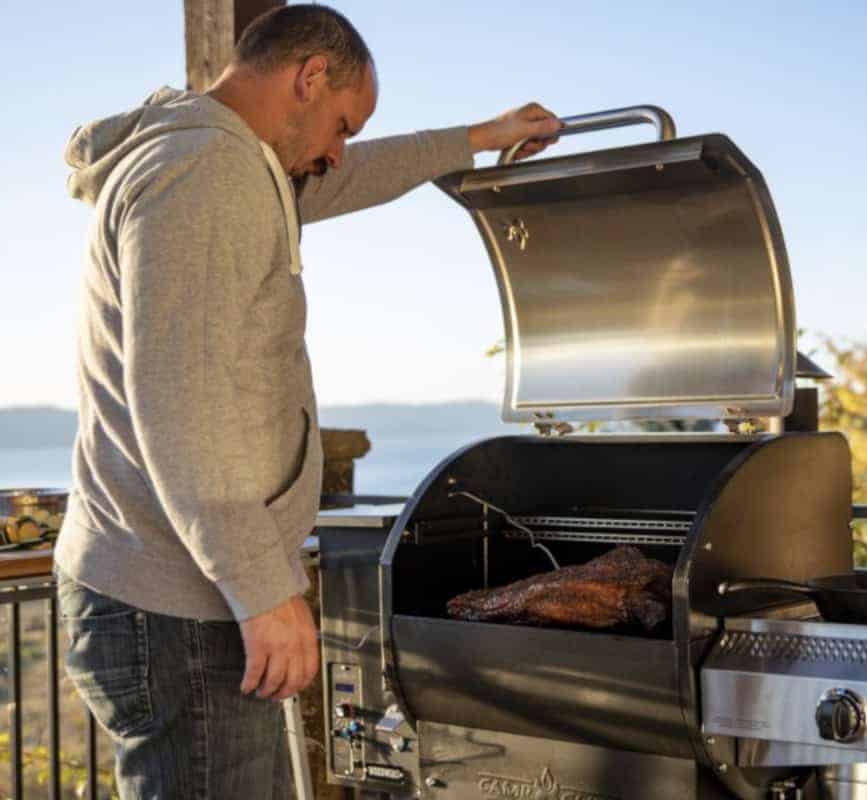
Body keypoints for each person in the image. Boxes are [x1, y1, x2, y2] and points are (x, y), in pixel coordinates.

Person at [54, 5, 561, 798]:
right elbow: (180, 400)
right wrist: (262, 588)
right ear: (309, 76)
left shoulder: (222, 159)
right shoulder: (207, 173)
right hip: (183, 607)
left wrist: (473, 141)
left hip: (170, 592)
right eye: (342, 124)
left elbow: (345, 179)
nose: (336, 152)